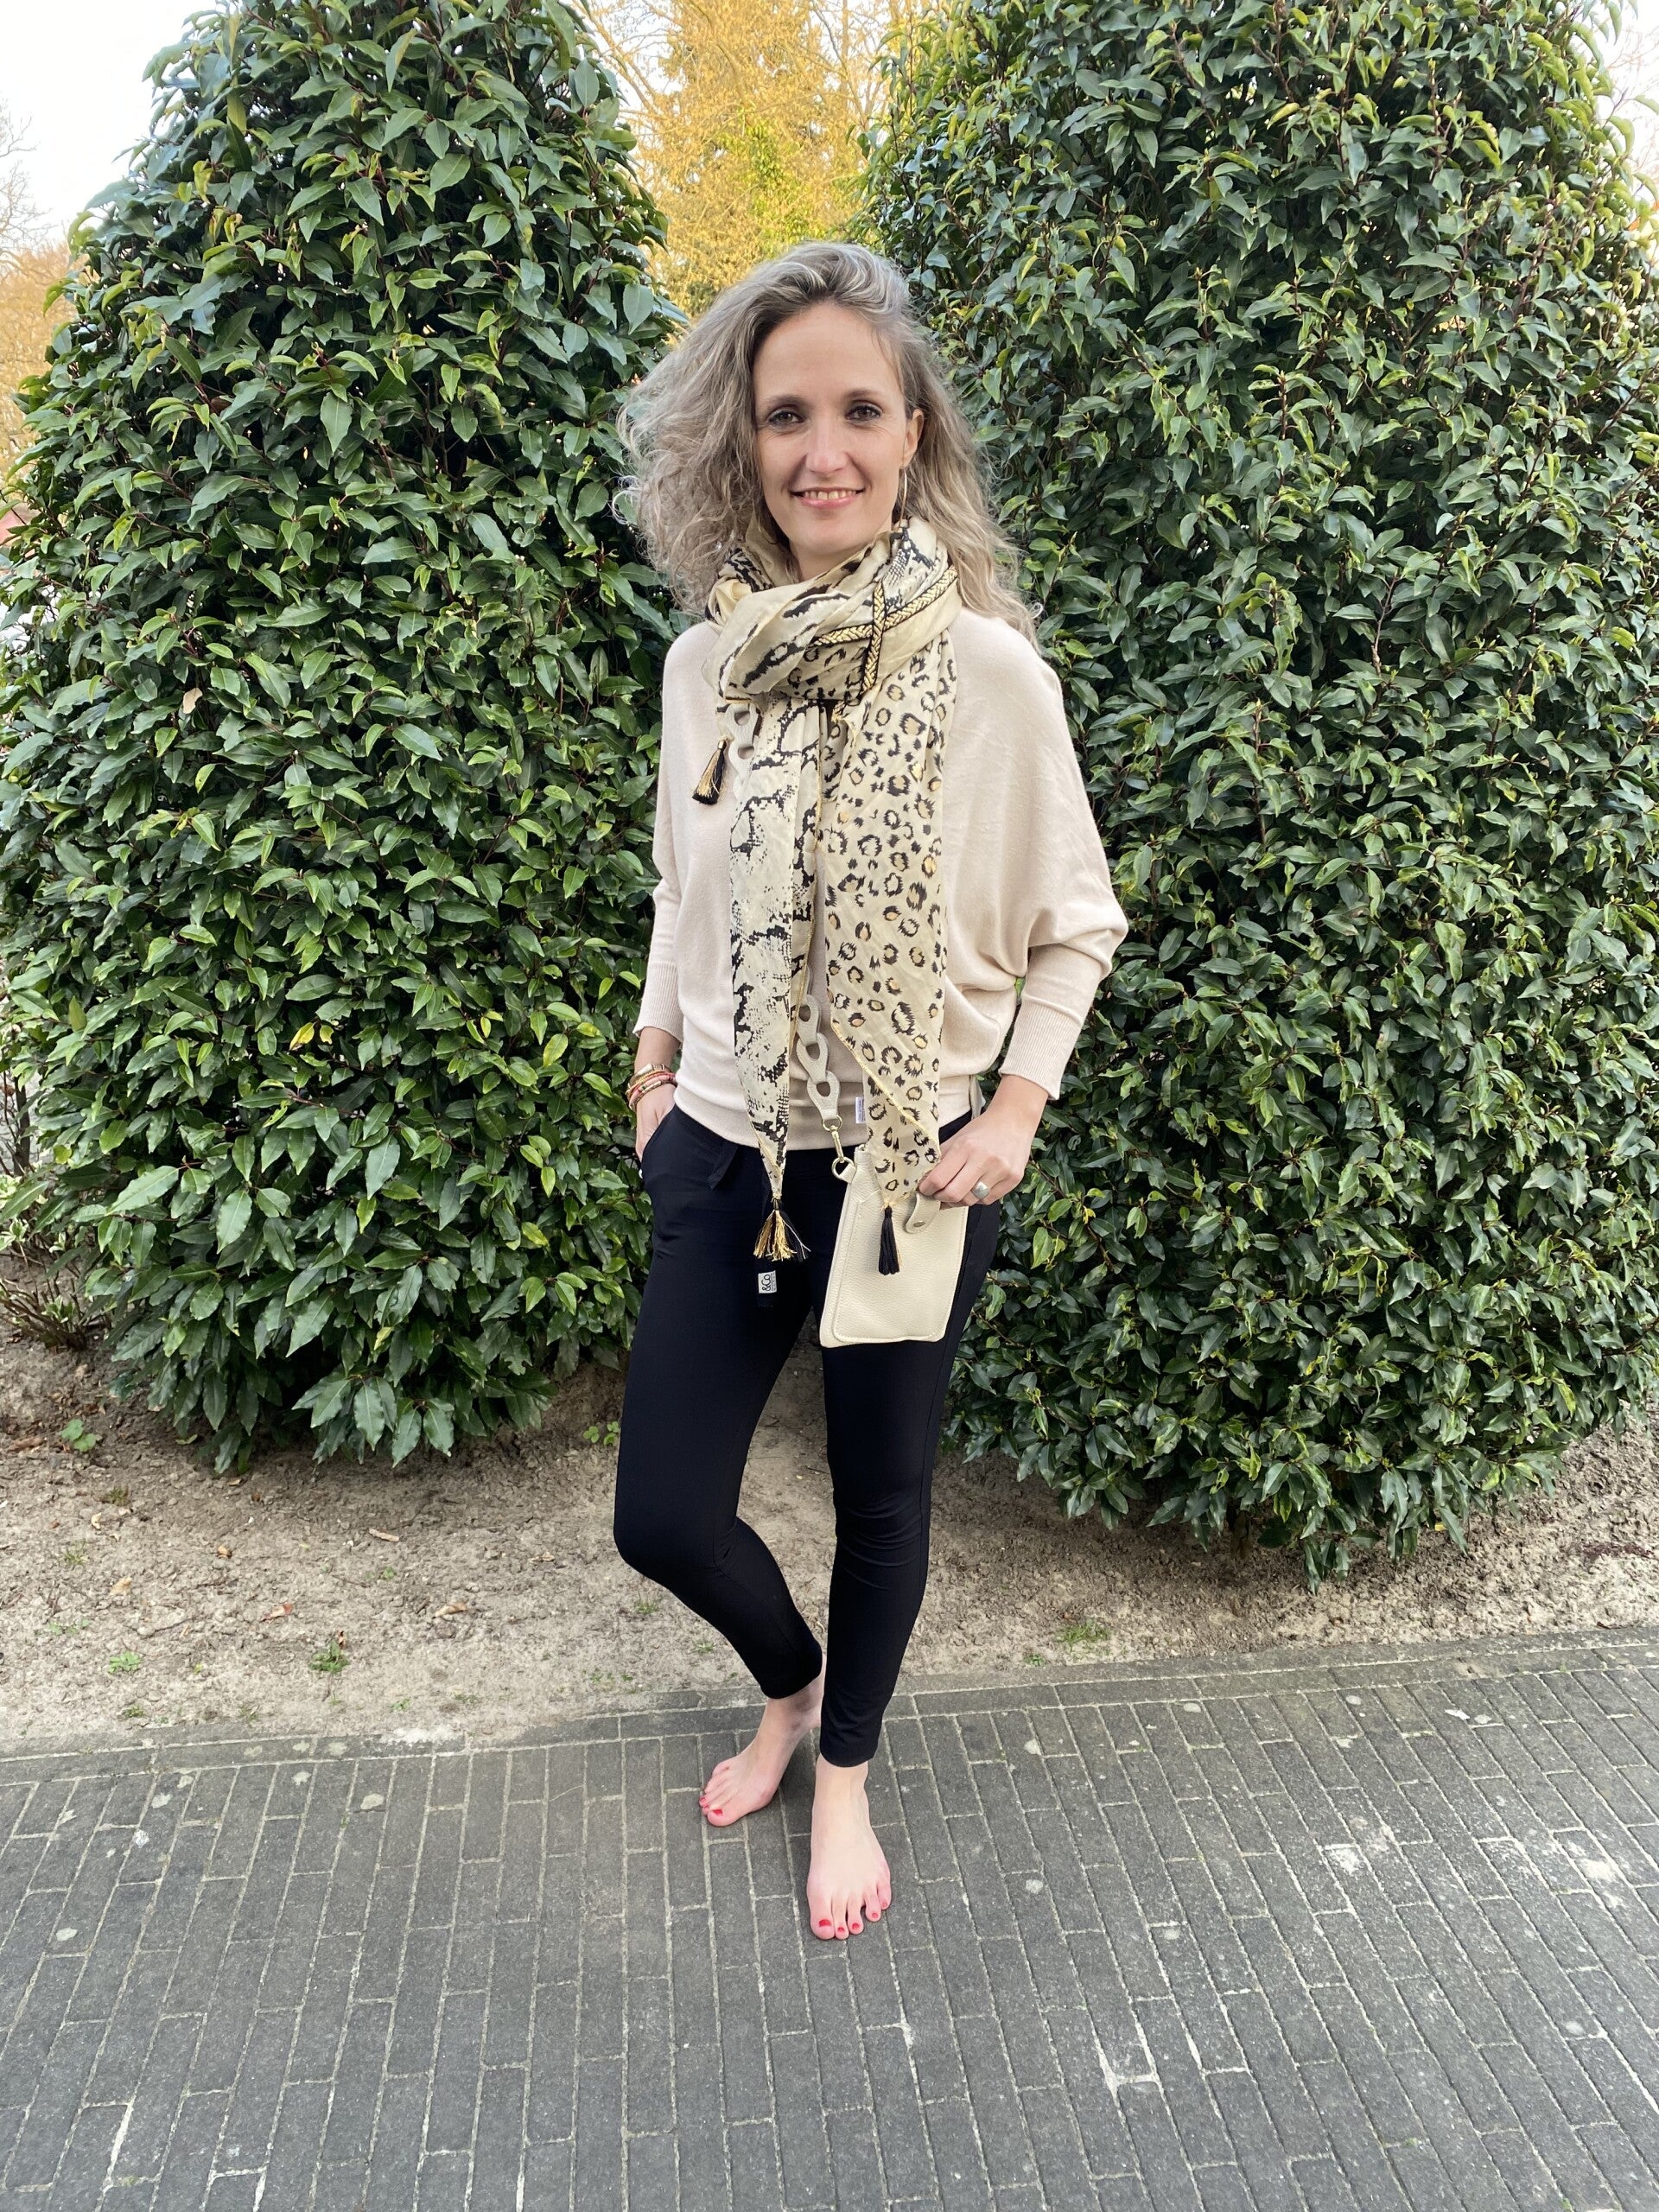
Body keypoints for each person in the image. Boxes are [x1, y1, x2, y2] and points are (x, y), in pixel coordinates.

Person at [610, 240, 1128, 1944]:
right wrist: (656, 1070)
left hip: (910, 1168)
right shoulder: (705, 666)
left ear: (913, 434)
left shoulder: (987, 673)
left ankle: (843, 1768)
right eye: (785, 415)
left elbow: (1075, 922)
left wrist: (1014, 1113)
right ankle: (791, 1681)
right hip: (726, 1150)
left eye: (857, 410)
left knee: (881, 1494)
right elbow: (682, 891)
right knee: (665, 1514)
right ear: (740, 440)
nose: (820, 450)